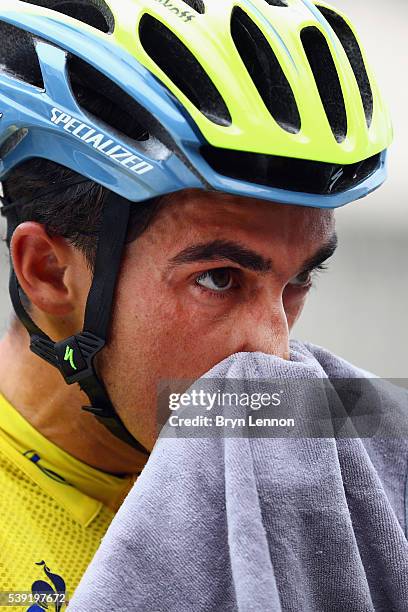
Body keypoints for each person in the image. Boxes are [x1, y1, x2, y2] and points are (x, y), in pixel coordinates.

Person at [0, 0, 392, 606]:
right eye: (219, 279)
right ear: (49, 272)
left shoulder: (343, 464)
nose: (275, 350)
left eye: (299, 280)